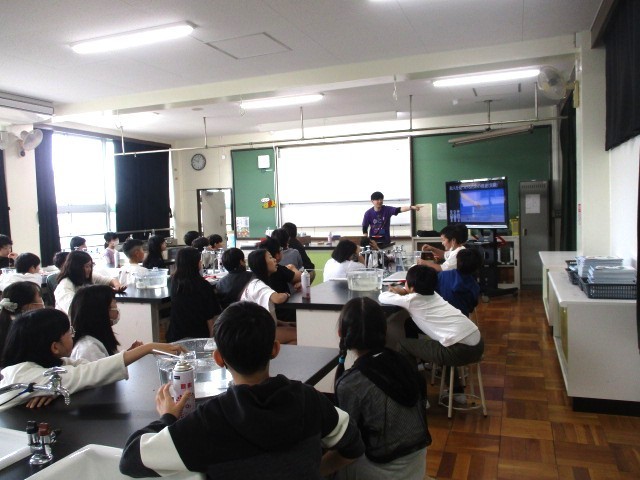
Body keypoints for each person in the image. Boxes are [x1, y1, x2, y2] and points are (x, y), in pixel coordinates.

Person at [119, 301, 364, 479]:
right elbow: (353, 444)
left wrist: (167, 417)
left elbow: (130, 459)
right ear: (275, 349)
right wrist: (315, 471)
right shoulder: (309, 399)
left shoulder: (207, 422)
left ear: (218, 358)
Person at [0, 308, 183, 411]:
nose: (73, 335)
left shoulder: (47, 367)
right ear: (55, 347)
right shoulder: (20, 374)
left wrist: (53, 389)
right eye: (69, 332)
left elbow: (82, 367)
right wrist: (147, 348)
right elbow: (87, 373)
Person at [334, 297, 431, 480]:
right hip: (417, 468)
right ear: (385, 330)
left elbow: (347, 447)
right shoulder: (403, 362)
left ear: (341, 334)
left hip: (381, 471)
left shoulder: (350, 383)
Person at [379, 265, 484, 400]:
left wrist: (401, 291)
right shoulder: (435, 295)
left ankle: (418, 394)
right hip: (478, 343)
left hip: (460, 351)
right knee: (441, 340)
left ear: (411, 287)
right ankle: (457, 391)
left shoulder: (410, 301)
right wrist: (407, 290)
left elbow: (383, 297)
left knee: (402, 345)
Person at [69, 285, 142, 362]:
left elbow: (110, 364)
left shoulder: (95, 340)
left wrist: (131, 353)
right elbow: (108, 369)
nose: (117, 308)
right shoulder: (89, 349)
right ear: (102, 310)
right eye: (114, 302)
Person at [240, 249, 296, 344]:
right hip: (254, 333)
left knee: (296, 329)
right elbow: (278, 299)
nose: (274, 259)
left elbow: (265, 315)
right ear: (262, 263)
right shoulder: (257, 285)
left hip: (258, 328)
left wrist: (284, 323)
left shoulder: (257, 282)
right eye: (270, 257)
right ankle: (271, 352)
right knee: (299, 335)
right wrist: (287, 294)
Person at [166, 247, 221, 342]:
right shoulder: (203, 285)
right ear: (196, 263)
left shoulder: (171, 281)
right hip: (199, 335)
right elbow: (210, 316)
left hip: (175, 335)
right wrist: (211, 340)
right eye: (200, 260)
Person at [54, 250, 124, 314]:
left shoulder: (87, 276)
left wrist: (117, 286)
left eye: (90, 266)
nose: (90, 269)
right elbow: (74, 309)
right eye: (87, 266)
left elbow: (109, 280)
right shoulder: (64, 286)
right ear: (76, 267)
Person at [258, 236, 300, 321]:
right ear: (277, 255)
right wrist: (292, 267)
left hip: (266, 315)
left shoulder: (255, 274)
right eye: (270, 257)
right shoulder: (279, 270)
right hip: (284, 313)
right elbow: (299, 276)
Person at [0, 281, 44, 357]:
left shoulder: (5, 321)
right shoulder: (31, 330)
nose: (42, 301)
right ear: (30, 306)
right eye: (40, 297)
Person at [436, 248, 482, 317]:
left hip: (440, 317)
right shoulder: (475, 287)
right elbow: (470, 308)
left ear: (457, 261)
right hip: (461, 319)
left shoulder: (442, 275)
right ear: (477, 267)